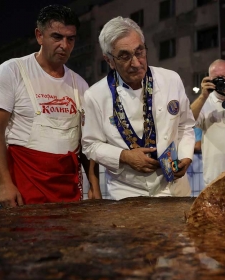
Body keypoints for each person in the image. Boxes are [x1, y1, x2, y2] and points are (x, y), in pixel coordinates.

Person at [0, 5, 99, 207]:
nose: (64, 45)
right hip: (25, 184)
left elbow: (85, 142)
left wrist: (94, 184)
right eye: (57, 37)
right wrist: (4, 184)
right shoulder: (13, 71)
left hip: (68, 187)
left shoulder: (80, 84)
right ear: (39, 36)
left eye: (70, 39)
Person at [81, 17, 195, 199]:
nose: (136, 63)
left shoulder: (171, 79)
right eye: (125, 56)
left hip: (175, 186)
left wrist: (186, 156)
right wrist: (125, 156)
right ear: (109, 60)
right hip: (127, 190)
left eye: (139, 52)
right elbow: (90, 145)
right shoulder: (95, 95)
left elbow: (185, 126)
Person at [190, 59, 225, 187]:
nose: (221, 81)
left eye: (224, 76)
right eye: (216, 78)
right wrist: (203, 96)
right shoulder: (204, 102)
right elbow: (188, 121)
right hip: (214, 178)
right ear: (209, 79)